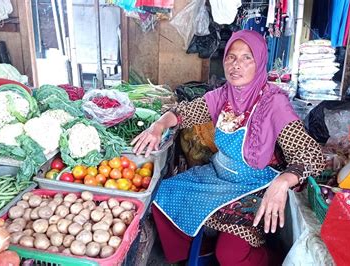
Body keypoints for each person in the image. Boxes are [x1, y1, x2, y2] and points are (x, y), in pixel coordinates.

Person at [131, 30, 325, 266]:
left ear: (260, 62)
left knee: (231, 255)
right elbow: (185, 112)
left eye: (247, 58)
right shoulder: (223, 95)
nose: (236, 65)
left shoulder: (274, 103)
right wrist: (158, 125)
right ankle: (200, 252)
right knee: (162, 196)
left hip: (255, 184)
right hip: (219, 176)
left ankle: (269, 261)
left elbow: (312, 155)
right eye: (231, 57)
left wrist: (284, 181)